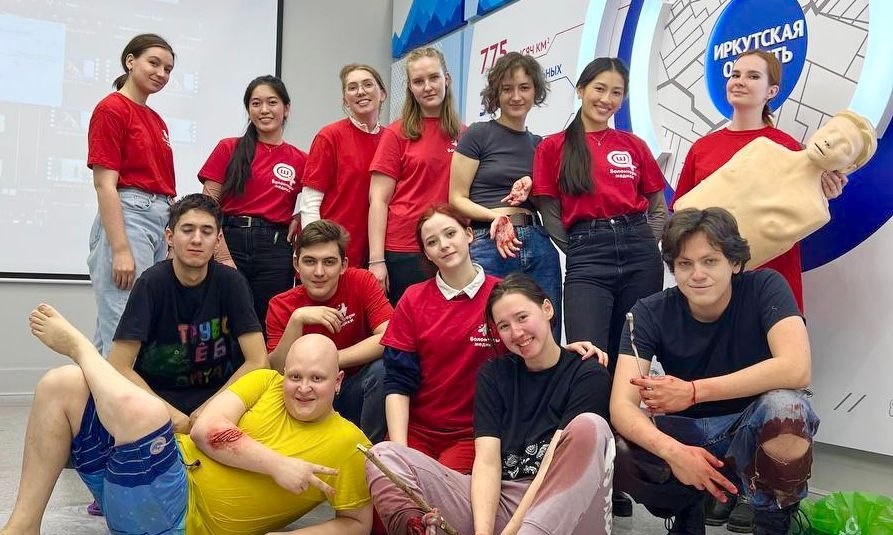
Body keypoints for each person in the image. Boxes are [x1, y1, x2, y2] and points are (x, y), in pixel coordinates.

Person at [4, 305, 371, 535]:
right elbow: (206, 430)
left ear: (338, 382)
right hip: (150, 479)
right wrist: (278, 465)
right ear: (284, 372)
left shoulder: (350, 444)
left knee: (148, 412)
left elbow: (356, 522)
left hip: (177, 521)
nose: (303, 388)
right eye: (295, 376)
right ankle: (23, 526)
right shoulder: (265, 382)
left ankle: (83, 350)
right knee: (61, 383)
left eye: (317, 379)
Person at [609, 207, 819, 535]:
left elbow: (797, 368)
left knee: (787, 408)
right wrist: (675, 453)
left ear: (734, 262)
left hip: (748, 427)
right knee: (615, 442)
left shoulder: (765, 286)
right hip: (687, 433)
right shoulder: (649, 312)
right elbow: (621, 406)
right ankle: (688, 509)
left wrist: (694, 392)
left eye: (710, 261)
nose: (697, 274)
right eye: (685, 264)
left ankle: (773, 521)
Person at [367, 273, 613, 535]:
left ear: (547, 309)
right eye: (504, 326)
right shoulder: (494, 374)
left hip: (561, 500)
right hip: (503, 501)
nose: (516, 332)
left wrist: (513, 531)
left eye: (522, 317)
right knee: (383, 455)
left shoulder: (588, 373)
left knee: (590, 425)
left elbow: (550, 464)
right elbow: (487, 462)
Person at [672, 49, 847, 314]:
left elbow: (802, 213)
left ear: (771, 91)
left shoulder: (788, 147)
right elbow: (680, 217)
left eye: (753, 76)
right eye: (735, 75)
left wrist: (825, 191)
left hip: (771, 282)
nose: (740, 81)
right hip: (711, 287)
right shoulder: (702, 148)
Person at [531, 57, 667, 370]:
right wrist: (581, 247)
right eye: (599, 89)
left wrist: (646, 241)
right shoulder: (553, 147)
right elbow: (549, 212)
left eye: (616, 93)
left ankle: (627, 405)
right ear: (580, 90)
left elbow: (658, 207)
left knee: (634, 354)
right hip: (587, 258)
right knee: (588, 358)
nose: (607, 99)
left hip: (641, 255)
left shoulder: (634, 144)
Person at [108, 193, 269, 434]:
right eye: (187, 230)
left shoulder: (232, 283)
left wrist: (209, 410)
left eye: (206, 231)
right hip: (157, 403)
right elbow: (118, 366)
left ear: (218, 241)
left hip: (221, 400)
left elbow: (258, 361)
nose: (196, 239)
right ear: (170, 237)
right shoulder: (151, 284)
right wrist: (171, 417)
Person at [379, 204, 501, 475]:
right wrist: (400, 451)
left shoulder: (502, 295)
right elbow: (397, 381)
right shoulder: (412, 298)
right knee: (388, 481)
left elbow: (532, 351)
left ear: (469, 234)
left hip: (474, 434)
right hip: (417, 431)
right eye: (432, 242)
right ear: (427, 254)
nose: (443, 245)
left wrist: (569, 351)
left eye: (450, 234)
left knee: (440, 490)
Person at [450, 52, 562, 341]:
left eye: (524, 87)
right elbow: (457, 198)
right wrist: (496, 218)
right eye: (507, 89)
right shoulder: (478, 134)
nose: (516, 96)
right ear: (496, 94)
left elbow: (549, 203)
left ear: (535, 91)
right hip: (489, 241)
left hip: (537, 241)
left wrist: (533, 184)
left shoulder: (540, 145)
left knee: (546, 331)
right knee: (485, 334)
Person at [87, 33, 176, 357]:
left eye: (168, 69)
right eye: (154, 63)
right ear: (130, 61)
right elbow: (104, 184)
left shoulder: (156, 119)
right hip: (130, 219)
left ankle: (95, 392)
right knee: (125, 329)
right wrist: (120, 249)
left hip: (159, 219)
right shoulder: (111, 109)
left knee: (122, 329)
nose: (161, 73)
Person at [266, 219, 393, 443]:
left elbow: (389, 336)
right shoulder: (281, 305)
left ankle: (368, 451)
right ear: (296, 264)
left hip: (355, 388)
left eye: (329, 262)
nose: (319, 272)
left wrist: (331, 361)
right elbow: (276, 369)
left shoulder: (361, 281)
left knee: (384, 369)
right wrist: (297, 320)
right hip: (307, 395)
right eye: (309, 261)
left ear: (343, 265)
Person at [199, 75, 307, 328]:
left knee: (268, 321)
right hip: (230, 240)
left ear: (286, 108)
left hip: (275, 248)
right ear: (248, 110)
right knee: (221, 320)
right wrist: (222, 255)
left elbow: (316, 201)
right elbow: (206, 207)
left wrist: (299, 215)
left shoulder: (301, 159)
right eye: (256, 103)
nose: (264, 110)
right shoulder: (229, 148)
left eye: (272, 102)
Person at [368, 47, 463, 305]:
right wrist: (376, 260)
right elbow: (378, 200)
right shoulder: (396, 133)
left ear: (447, 79)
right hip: (405, 251)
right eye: (418, 81)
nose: (428, 87)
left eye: (434, 78)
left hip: (450, 248)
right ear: (410, 88)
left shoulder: (465, 135)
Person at [300, 64, 388, 268]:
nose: (360, 91)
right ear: (345, 100)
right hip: (334, 255)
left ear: (382, 94)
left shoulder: (391, 139)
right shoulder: (329, 136)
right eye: (352, 87)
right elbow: (310, 203)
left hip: (378, 257)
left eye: (368, 84)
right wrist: (318, 253)